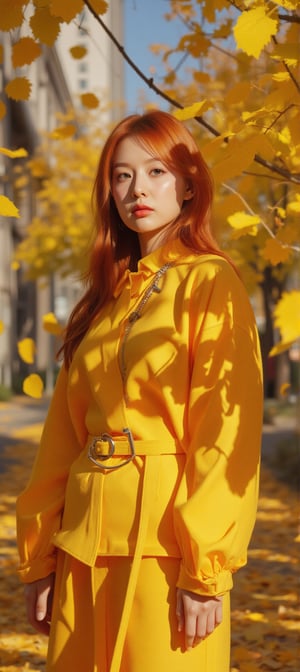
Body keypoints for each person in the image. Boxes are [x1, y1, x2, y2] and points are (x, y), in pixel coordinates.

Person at [16, 110, 263, 672]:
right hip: (83, 542)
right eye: (122, 176)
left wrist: (204, 570)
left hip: (167, 547)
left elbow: (226, 435)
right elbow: (62, 438)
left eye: (155, 171)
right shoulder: (103, 302)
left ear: (189, 183)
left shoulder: (210, 282)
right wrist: (41, 559)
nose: (137, 190)